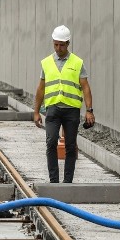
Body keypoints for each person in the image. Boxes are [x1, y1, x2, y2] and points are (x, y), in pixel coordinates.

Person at [32, 25, 95, 183]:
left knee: (70, 146)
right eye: (55, 44)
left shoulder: (77, 62)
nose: (58, 48)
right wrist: (36, 112)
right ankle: (54, 181)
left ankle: (67, 182)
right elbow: (41, 88)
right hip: (52, 109)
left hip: (71, 110)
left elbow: (85, 87)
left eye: (61, 45)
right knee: (51, 142)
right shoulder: (46, 63)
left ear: (68, 43)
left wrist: (89, 110)